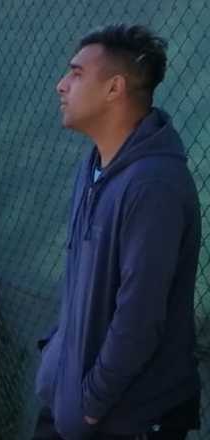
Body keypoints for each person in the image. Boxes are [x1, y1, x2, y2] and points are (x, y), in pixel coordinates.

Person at [33, 25, 201, 440]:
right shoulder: (93, 167)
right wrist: (58, 357)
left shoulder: (153, 184)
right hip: (70, 405)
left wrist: (90, 404)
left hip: (124, 417)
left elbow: (140, 318)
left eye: (75, 73)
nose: (61, 85)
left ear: (114, 88)